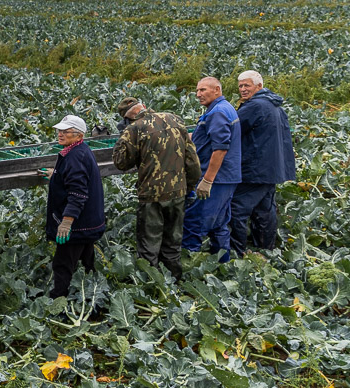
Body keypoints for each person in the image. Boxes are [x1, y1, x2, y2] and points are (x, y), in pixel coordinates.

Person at [111, 97, 201, 279]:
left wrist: (124, 138)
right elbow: (192, 160)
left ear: (128, 118)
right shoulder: (174, 119)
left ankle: (151, 285)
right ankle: (174, 282)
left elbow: (120, 162)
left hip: (151, 195)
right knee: (173, 241)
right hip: (178, 192)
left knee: (149, 244)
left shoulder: (135, 129)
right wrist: (189, 185)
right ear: (143, 107)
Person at [229, 70, 296, 254]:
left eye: (247, 85)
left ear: (259, 86)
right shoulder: (275, 106)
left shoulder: (254, 106)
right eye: (240, 86)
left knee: (236, 209)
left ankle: (237, 253)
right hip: (272, 169)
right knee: (264, 211)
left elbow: (232, 130)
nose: (243, 89)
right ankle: (266, 251)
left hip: (255, 170)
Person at [40, 115, 106, 298]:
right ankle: (90, 294)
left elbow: (77, 194)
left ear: (78, 135)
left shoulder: (75, 156)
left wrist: (66, 222)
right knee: (86, 259)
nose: (60, 134)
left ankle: (58, 300)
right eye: (59, 131)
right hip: (89, 222)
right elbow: (76, 179)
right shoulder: (80, 150)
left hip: (78, 224)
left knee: (63, 263)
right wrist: (57, 174)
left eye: (65, 132)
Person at [182, 77, 241, 262]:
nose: (198, 94)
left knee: (194, 221)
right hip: (227, 178)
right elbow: (204, 137)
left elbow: (220, 148)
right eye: (197, 91)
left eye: (203, 90)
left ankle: (190, 266)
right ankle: (223, 264)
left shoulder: (218, 112)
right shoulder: (224, 108)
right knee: (219, 224)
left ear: (216, 89)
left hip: (217, 179)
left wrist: (207, 181)